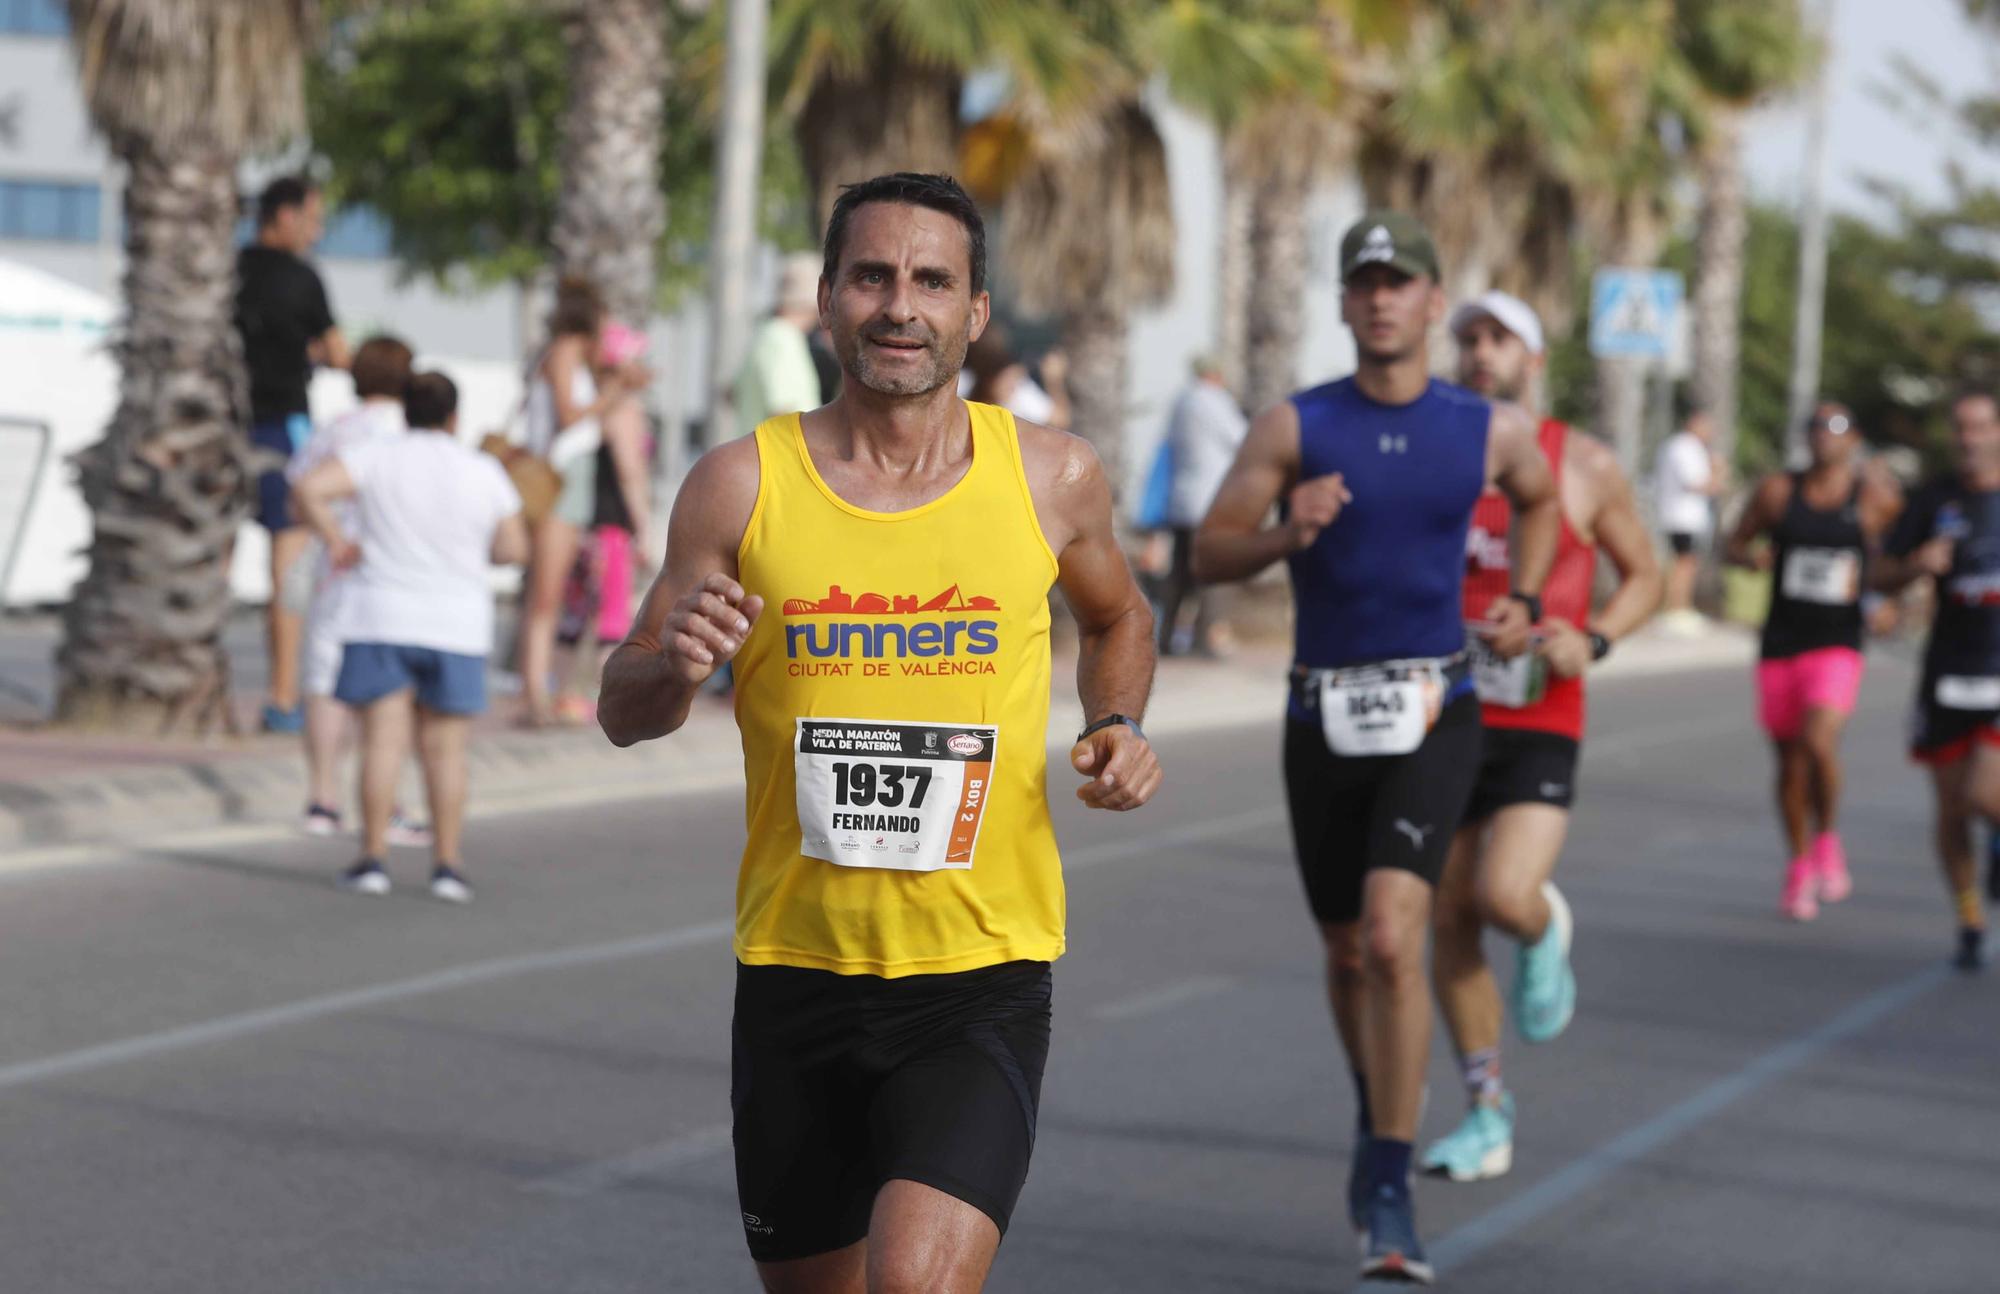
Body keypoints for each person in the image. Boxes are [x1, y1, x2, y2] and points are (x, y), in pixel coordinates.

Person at [598, 172, 1161, 1294]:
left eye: (930, 281)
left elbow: (1118, 612)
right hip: (796, 974)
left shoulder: (1049, 477)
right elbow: (624, 706)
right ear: (825, 298)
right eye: (872, 276)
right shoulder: (739, 485)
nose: (899, 306)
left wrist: (1112, 720)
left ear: (975, 312)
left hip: (978, 976)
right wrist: (674, 665)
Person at [1193, 214, 1558, 1285]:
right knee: (1348, 951)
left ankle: (1390, 1182)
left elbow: (1538, 498)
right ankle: (1377, 1107)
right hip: (1320, 720)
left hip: (1434, 710)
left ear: (1431, 301)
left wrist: (1524, 599)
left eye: (1400, 281)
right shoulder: (1293, 426)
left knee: (1397, 939)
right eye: (1364, 282)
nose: (1382, 298)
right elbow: (1207, 551)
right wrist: (1283, 532)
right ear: (1345, 303)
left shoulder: (1482, 426)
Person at [1422, 292, 1661, 1185]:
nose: (1481, 353)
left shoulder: (1583, 463)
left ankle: (1544, 923)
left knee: (1504, 895)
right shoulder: (1432, 453)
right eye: (1469, 338)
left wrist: (1590, 639)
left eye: (1500, 339)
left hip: (1539, 715)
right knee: (1447, 918)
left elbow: (1647, 574)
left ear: (1534, 357)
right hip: (1443, 712)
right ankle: (1487, 1112)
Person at [291, 372, 529, 903]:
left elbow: (308, 488)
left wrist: (336, 539)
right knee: (446, 752)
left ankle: (372, 858)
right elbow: (513, 548)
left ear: (406, 412)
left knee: (382, 744)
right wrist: (477, 554)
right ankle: (447, 864)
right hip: (457, 625)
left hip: (380, 616)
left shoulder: (378, 456)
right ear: (454, 417)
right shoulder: (483, 470)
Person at [1725, 403, 1901, 921]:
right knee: (1788, 764)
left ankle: (1827, 839)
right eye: (1816, 427)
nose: (1824, 435)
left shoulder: (1873, 499)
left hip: (1837, 641)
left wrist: (1890, 600)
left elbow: (1892, 561)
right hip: (1782, 641)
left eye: (1836, 427)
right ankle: (1798, 863)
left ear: (1855, 438)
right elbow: (1734, 544)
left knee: (1819, 742)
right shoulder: (1779, 492)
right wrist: (1752, 558)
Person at [283, 334, 430, 848]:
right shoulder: (413, 433)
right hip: (394, 579)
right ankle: (389, 805)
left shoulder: (337, 428)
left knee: (324, 684)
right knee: (387, 694)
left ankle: (322, 799)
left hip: (334, 572)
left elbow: (296, 496)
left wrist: (333, 536)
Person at [1875, 388, 2000, 971]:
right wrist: (1915, 565)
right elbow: (1879, 571)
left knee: (1984, 794)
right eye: (1961, 428)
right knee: (1951, 809)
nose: (1970, 439)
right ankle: (1970, 917)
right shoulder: (1934, 500)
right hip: (1949, 672)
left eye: (1980, 427)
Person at [236, 174, 350, 733]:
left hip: (213, 426)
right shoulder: (302, 279)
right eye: (313, 217)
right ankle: (282, 697)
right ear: (284, 216)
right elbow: (338, 352)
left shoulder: (226, 269)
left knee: (210, 557)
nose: (318, 229)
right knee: (288, 569)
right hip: (282, 427)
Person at [518, 277, 650, 727]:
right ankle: (534, 696)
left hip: (568, 481)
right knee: (545, 598)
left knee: (549, 598)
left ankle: (538, 693)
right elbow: (568, 414)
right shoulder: (566, 350)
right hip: (560, 480)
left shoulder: (563, 352)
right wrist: (609, 397)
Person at [1156, 355, 1247, 656]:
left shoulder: (1181, 401)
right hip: (1210, 499)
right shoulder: (1214, 400)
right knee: (1216, 569)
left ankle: (1165, 636)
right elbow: (1243, 439)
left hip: (1181, 499)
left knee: (1179, 574)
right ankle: (1206, 637)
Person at [735, 252, 829, 439]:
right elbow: (781, 410)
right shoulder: (783, 339)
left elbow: (731, 393)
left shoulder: (764, 335)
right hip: (779, 462)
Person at [1655, 409, 1726, 630]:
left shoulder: (1677, 445)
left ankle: (1680, 606)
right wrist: (1718, 472)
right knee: (1683, 563)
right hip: (1683, 516)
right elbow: (1697, 483)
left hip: (1680, 515)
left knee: (1685, 562)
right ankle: (1676, 609)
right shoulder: (1686, 447)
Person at [963, 323, 1070, 429]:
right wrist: (1054, 380)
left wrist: (1053, 379)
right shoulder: (963, 384)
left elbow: (1059, 420)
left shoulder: (1019, 393)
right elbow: (1060, 420)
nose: (1011, 386)